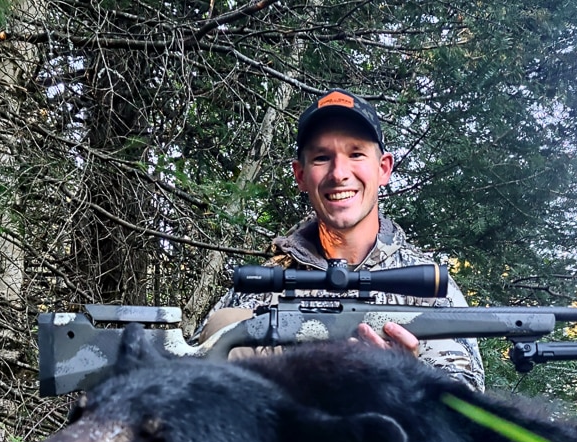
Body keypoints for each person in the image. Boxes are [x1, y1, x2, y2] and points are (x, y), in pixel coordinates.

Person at [197, 89, 486, 392]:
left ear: (383, 168)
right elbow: (197, 368)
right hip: (281, 430)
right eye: (322, 158)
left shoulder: (427, 285)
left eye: (356, 153)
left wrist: (407, 378)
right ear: (300, 175)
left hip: (391, 433)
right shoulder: (269, 282)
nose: (339, 173)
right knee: (226, 324)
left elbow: (466, 401)